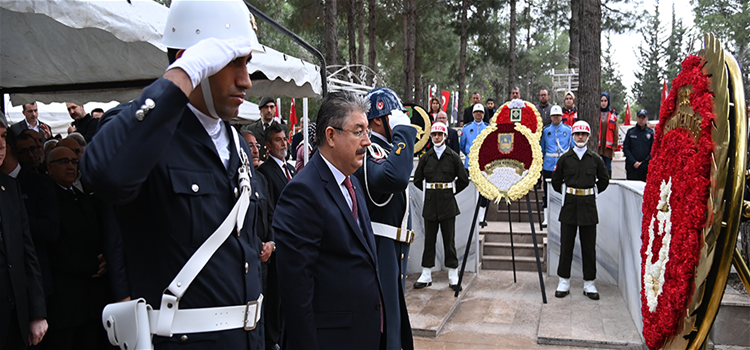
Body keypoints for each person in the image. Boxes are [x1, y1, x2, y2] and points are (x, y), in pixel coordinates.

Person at [80, 0, 266, 347]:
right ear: (195, 59)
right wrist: (184, 71)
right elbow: (103, 175)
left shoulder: (238, 145)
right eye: (233, 62)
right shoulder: (144, 134)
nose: (246, 80)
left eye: (247, 63)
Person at [273, 92, 383, 350]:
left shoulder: (352, 182)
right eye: (358, 132)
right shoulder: (303, 192)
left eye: (367, 131)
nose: (367, 141)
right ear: (331, 135)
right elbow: (296, 294)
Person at [353, 87, 416, 350]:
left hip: (394, 248)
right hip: (380, 246)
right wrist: (403, 131)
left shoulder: (387, 150)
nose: (401, 118)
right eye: (395, 114)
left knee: (393, 316)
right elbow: (395, 178)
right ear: (379, 119)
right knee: (384, 320)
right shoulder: (371, 150)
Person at [43, 146, 112, 349]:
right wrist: (91, 265)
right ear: (49, 167)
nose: (71, 166)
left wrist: (104, 260)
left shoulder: (83, 198)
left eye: (74, 161)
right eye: (64, 162)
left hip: (91, 301)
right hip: (65, 303)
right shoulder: (49, 199)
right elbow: (55, 247)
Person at [0, 119, 49, 350]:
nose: (2, 145)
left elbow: (27, 252)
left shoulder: (10, 188)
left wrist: (37, 312)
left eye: (2, 137)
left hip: (13, 317)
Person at [551, 121, 609, 300]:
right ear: (573, 136)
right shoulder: (565, 159)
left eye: (584, 134)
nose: (580, 137)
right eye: (577, 134)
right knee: (566, 245)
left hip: (588, 207)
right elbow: (555, 181)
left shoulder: (595, 159)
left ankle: (589, 283)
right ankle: (564, 280)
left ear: (588, 136)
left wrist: (593, 192)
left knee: (588, 246)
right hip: (569, 206)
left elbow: (604, 180)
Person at [412, 122, 470, 291]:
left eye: (439, 134)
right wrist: (430, 193)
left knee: (449, 240)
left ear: (445, 137)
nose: (436, 137)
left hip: (447, 203)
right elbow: (417, 180)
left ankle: (453, 274)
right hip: (430, 204)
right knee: (429, 240)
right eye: (434, 135)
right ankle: (426, 273)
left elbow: (464, 180)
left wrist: (450, 193)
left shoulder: (453, 156)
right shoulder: (426, 157)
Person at [256, 122, 293, 350]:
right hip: (276, 241)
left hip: (291, 241)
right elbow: (270, 210)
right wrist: (273, 240)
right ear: (268, 146)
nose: (284, 143)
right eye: (278, 140)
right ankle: (273, 340)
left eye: (285, 138)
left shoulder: (290, 168)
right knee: (275, 297)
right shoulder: (265, 172)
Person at [540, 105, 572, 208]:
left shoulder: (568, 130)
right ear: (550, 117)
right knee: (547, 191)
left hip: (564, 165)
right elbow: (543, 149)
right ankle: (547, 215)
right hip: (549, 165)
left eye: (558, 116)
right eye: (554, 116)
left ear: (561, 116)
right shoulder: (546, 131)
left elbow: (571, 148)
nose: (556, 118)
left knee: (563, 190)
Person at [622, 109, 654, 181]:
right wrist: (634, 162)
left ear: (646, 119)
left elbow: (653, 150)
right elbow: (626, 148)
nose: (641, 120)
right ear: (637, 118)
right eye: (640, 117)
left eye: (643, 118)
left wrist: (644, 163)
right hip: (632, 167)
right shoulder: (631, 132)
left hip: (645, 168)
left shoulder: (650, 133)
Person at [460, 103, 488, 169]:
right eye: (476, 112)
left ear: (483, 114)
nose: (478, 113)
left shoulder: (488, 128)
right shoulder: (466, 128)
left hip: (484, 163)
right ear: (473, 114)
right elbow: (462, 145)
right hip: (469, 163)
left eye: (481, 112)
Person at [597, 92, 618, 174]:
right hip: (598, 146)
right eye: (601, 101)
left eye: (605, 101)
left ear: (608, 102)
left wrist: (615, 145)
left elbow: (615, 131)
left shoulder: (612, 115)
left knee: (607, 167)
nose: (603, 103)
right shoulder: (596, 114)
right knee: (598, 167)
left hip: (608, 147)